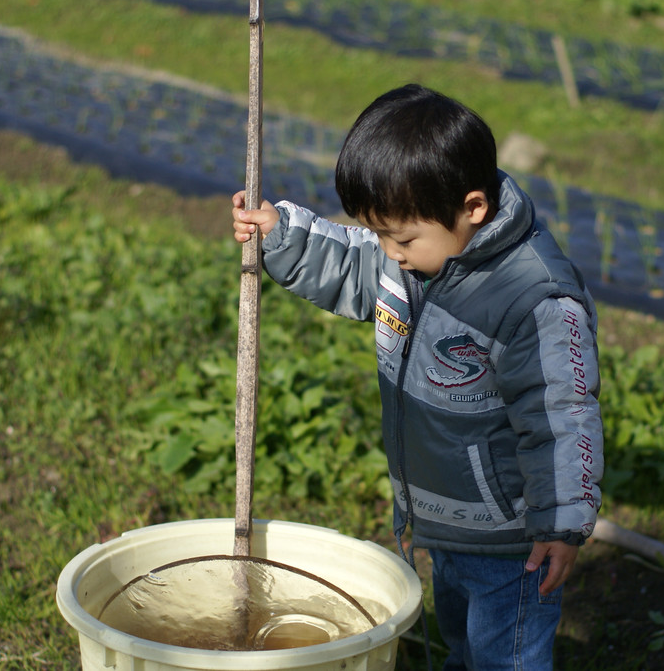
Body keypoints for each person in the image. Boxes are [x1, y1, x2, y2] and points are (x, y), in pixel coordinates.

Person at [231, 83, 603, 670]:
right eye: (381, 234)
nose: (390, 253)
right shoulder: (413, 256)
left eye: (401, 238)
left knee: (504, 657)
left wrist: (562, 522)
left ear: (473, 208)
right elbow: (352, 262)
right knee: (463, 637)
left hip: (513, 539)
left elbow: (562, 415)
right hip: (442, 519)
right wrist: (281, 235)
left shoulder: (534, 300)